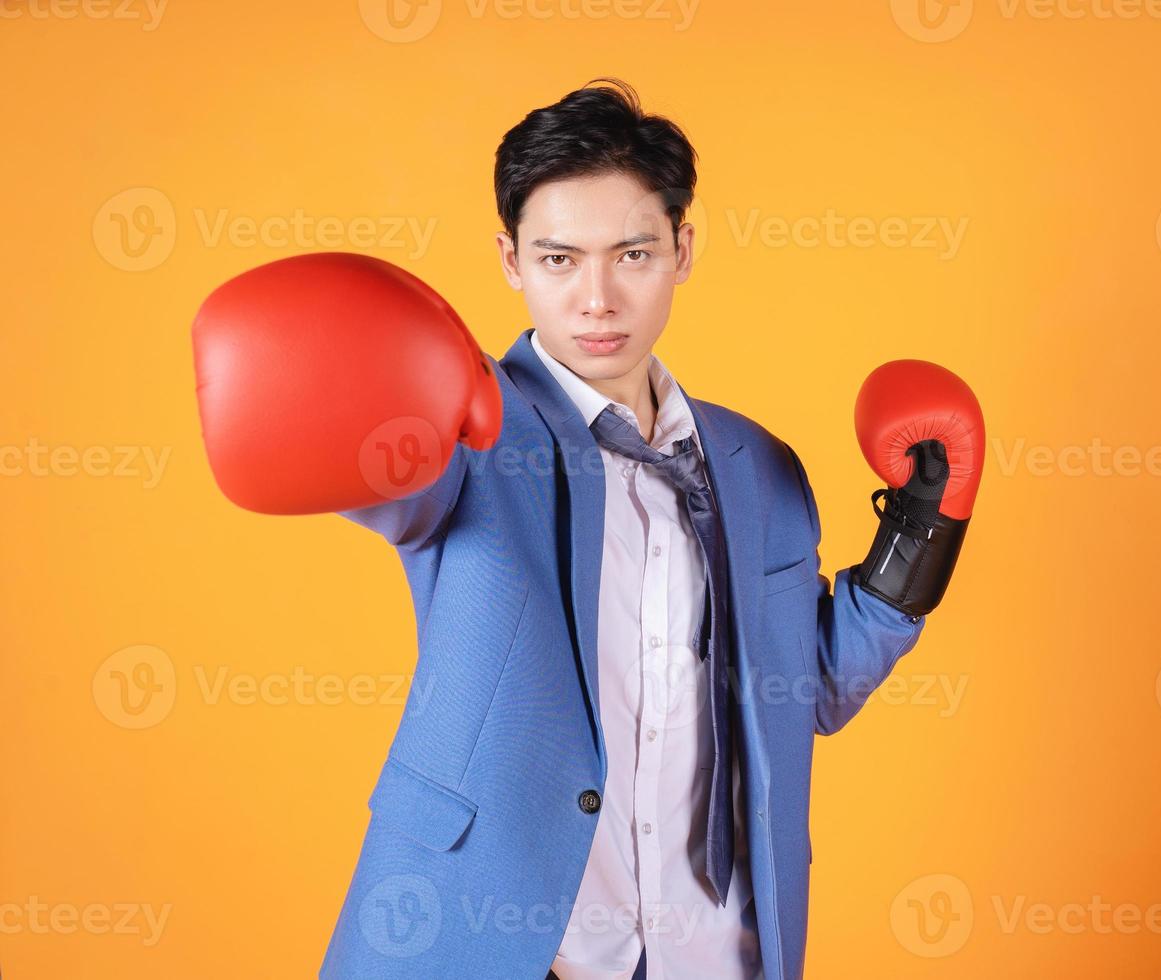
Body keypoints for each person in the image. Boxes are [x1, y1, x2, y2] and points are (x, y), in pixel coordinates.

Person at [192, 77, 983, 980]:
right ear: (510, 260)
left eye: (633, 254)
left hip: (715, 948)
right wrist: (322, 398)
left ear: (683, 250)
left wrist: (918, 539)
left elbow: (801, 695)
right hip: (507, 942)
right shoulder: (464, 431)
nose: (597, 299)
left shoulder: (756, 465)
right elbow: (390, 486)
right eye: (559, 259)